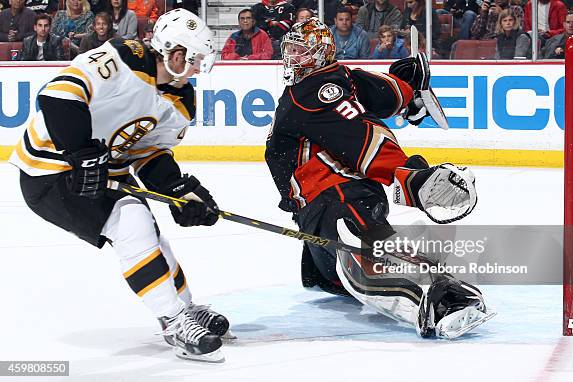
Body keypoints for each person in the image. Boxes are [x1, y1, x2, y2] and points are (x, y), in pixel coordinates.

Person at [9, 8, 230, 362]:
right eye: (194, 59)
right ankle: (173, 321)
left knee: (150, 234)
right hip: (49, 168)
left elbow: (147, 152)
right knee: (132, 225)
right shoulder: (123, 56)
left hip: (102, 166)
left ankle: (185, 308)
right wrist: (80, 151)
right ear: (174, 53)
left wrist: (178, 190)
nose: (197, 68)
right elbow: (58, 95)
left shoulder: (182, 100)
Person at [265, 18, 491, 339]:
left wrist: (407, 178)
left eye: (301, 51)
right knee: (353, 265)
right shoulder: (340, 78)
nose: (292, 58)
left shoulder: (314, 91)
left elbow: (358, 134)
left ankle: (444, 301)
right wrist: (408, 88)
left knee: (372, 262)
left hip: (339, 200)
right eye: (290, 51)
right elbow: (382, 93)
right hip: (323, 215)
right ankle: (436, 282)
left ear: (320, 54)